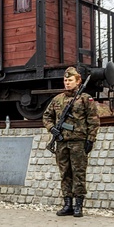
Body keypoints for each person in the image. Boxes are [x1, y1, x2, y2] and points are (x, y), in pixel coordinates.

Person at [43, 67, 100, 218]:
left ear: (78, 81)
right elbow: (46, 117)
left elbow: (93, 121)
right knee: (65, 174)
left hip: (78, 142)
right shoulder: (57, 99)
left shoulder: (85, 99)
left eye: (70, 80)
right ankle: (67, 204)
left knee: (79, 174)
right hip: (62, 142)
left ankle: (78, 206)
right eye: (65, 80)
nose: (67, 83)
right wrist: (52, 128)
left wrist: (90, 139)